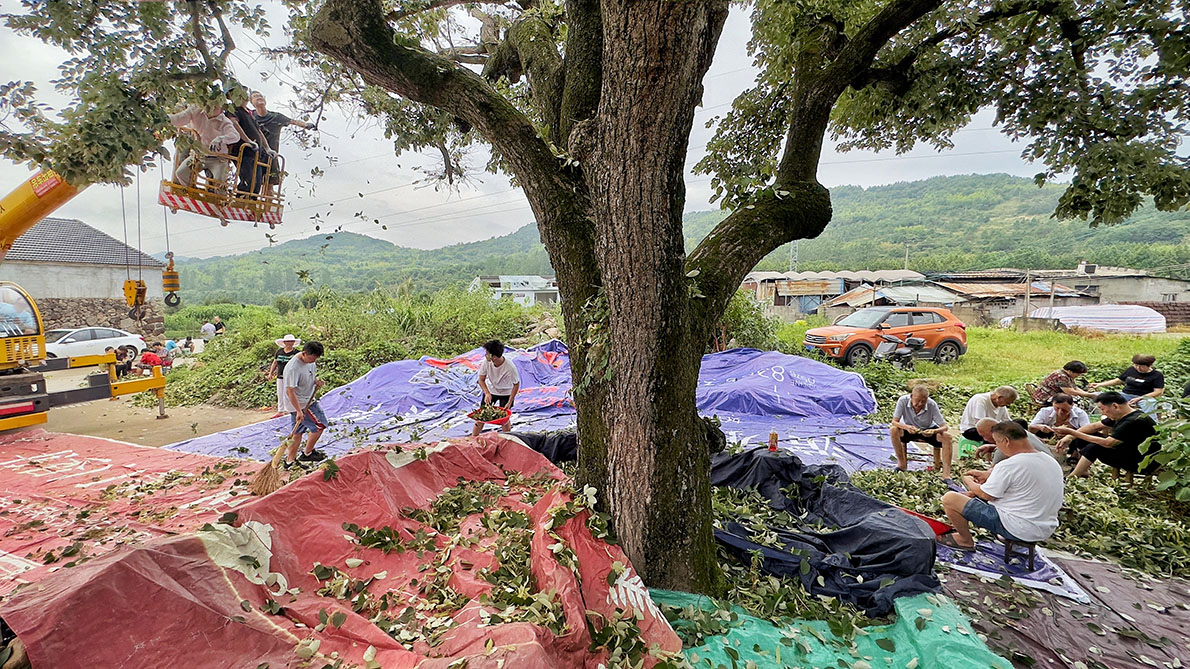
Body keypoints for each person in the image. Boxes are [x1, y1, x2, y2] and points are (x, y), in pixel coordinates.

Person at [939, 421, 1064, 551]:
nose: (997, 447)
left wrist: (968, 481)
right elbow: (1023, 481)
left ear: (1006, 441)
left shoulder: (1009, 464)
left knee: (950, 499)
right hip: (1045, 528)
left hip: (1017, 527)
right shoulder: (1050, 461)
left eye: (997, 443)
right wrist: (988, 476)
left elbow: (986, 495)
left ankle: (964, 540)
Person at [1054, 392, 1158, 477]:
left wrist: (1072, 432)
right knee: (1082, 437)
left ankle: (1072, 477)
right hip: (1128, 449)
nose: (1102, 413)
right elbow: (1094, 426)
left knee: (1094, 447)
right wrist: (1070, 437)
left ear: (1115, 406)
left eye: (1102, 409)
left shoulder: (1133, 420)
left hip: (1142, 461)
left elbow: (1108, 443)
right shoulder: (1122, 415)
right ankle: (1083, 469)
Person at [889, 385, 955, 478]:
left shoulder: (932, 404)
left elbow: (944, 427)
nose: (920, 404)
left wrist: (934, 431)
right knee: (893, 430)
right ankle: (901, 464)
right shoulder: (902, 400)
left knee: (947, 437)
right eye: (917, 400)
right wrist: (907, 427)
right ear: (911, 396)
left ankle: (946, 473)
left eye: (923, 401)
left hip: (928, 430)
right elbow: (894, 422)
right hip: (909, 429)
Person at [168, 101, 239, 186]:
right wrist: (164, 119)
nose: (212, 108)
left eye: (216, 106)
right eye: (210, 104)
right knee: (181, 173)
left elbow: (235, 136)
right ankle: (191, 191)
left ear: (221, 109)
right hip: (199, 156)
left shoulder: (224, 121)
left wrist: (221, 139)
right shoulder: (195, 111)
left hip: (218, 158)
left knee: (220, 183)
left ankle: (219, 194)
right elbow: (178, 119)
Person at [282, 341, 328, 466]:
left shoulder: (310, 362)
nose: (314, 361)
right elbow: (290, 391)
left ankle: (290, 461)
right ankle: (308, 453)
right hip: (300, 404)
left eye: (316, 358)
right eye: (312, 358)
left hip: (306, 400)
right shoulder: (293, 368)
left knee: (297, 432)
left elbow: (309, 376)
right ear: (304, 353)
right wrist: (298, 410)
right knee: (320, 425)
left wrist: (316, 382)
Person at [224, 84, 274, 194]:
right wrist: (248, 141)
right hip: (243, 151)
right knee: (248, 181)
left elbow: (259, 132)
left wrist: (267, 148)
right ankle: (241, 200)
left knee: (257, 184)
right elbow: (234, 124)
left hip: (256, 153)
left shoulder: (249, 113)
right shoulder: (233, 110)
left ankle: (251, 201)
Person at [472, 340, 520, 436]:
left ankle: (507, 438)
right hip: (491, 390)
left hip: (506, 393)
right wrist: (487, 393)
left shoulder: (510, 367)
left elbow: (516, 384)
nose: (485, 355)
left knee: (504, 419)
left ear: (494, 356)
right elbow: (481, 380)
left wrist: (509, 402)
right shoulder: (486, 362)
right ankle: (473, 437)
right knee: (481, 416)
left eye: (487, 353)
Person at [250, 91, 317, 154]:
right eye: (255, 96)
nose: (259, 97)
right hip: (253, 153)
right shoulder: (250, 116)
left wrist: (306, 125)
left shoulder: (275, 116)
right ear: (251, 102)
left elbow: (292, 121)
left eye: (260, 96)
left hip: (271, 155)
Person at [1090, 354, 1164, 411]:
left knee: (1150, 403)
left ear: (1149, 365)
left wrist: (1139, 398)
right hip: (1126, 394)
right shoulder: (1131, 370)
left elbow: (1158, 392)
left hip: (1144, 397)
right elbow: (1118, 380)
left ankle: (1152, 423)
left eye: (1141, 366)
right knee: (1101, 395)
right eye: (1136, 365)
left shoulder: (1157, 375)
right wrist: (1099, 384)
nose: (1138, 368)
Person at [1031, 361, 1096, 406]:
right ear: (1070, 371)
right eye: (1078, 374)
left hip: (1055, 394)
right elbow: (1070, 392)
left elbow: (1075, 388)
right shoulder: (1061, 377)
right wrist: (1088, 395)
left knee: (1079, 399)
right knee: (1073, 402)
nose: (1078, 376)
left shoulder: (1067, 376)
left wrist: (1086, 394)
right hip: (1045, 397)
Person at [268, 334, 301, 419]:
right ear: (284, 342)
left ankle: (291, 410)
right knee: (280, 393)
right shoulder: (279, 352)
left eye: (291, 341)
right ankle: (281, 411)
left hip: (291, 377)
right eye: (288, 341)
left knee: (290, 393)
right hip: (280, 376)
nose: (289, 343)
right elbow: (275, 362)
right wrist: (270, 373)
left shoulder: (296, 353)